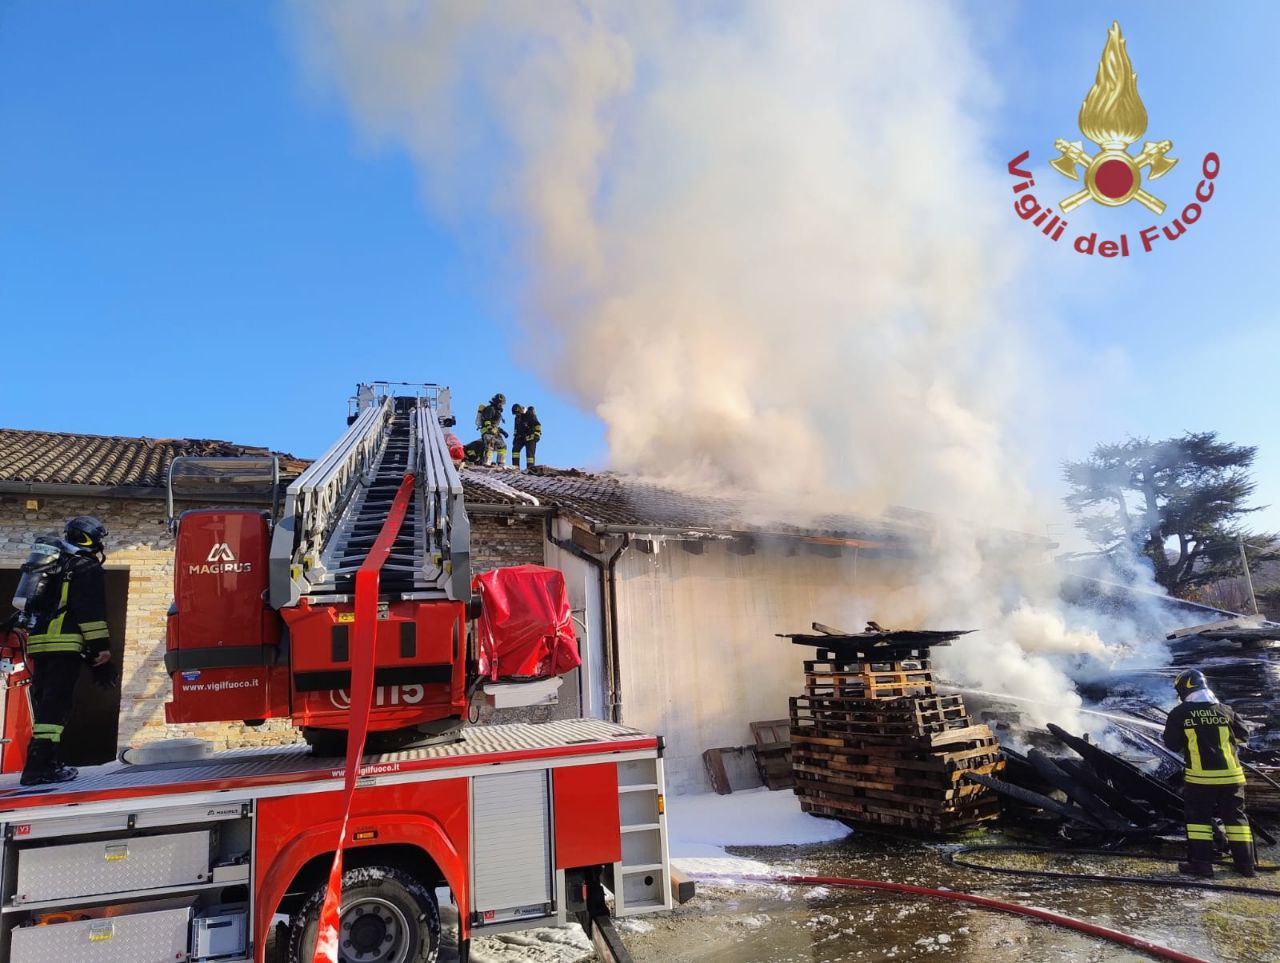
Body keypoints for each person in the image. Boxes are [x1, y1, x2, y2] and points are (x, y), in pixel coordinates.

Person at [19, 516, 115, 786]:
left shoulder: (53, 565)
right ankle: (39, 768)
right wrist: (101, 648)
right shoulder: (85, 567)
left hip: (39, 644)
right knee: (56, 706)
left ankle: (42, 762)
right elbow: (90, 612)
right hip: (64, 644)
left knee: (45, 704)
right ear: (91, 539)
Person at [1162, 669, 1255, 878]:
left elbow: (1172, 744)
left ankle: (1202, 866)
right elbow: (1243, 736)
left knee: (1198, 822)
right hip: (1232, 777)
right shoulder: (1226, 710)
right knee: (1237, 821)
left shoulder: (1180, 713)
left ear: (1184, 689)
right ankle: (1246, 866)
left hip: (1200, 779)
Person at [478, 393, 508, 466]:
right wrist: (489, 427)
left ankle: (501, 463)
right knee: (490, 446)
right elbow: (487, 419)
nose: (502, 405)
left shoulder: (497, 411)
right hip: (487, 432)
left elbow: (495, 424)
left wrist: (503, 432)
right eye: (501, 403)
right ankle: (487, 463)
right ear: (497, 402)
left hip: (494, 432)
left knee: (503, 446)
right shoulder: (490, 409)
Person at [511, 403, 542, 470]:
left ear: (520, 410)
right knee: (515, 450)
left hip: (531, 436)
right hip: (521, 437)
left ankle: (530, 468)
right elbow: (516, 429)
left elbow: (537, 424)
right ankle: (515, 467)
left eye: (517, 413)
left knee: (529, 454)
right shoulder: (517, 418)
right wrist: (515, 438)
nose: (517, 415)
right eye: (515, 414)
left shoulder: (530, 414)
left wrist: (537, 434)